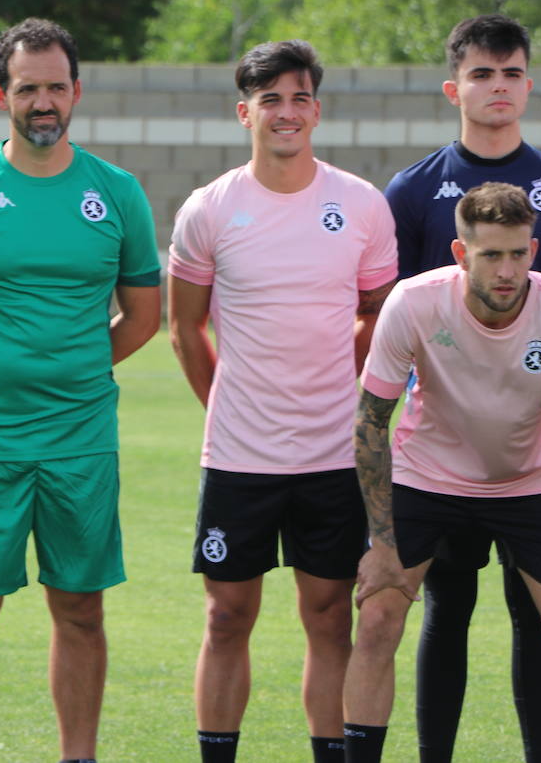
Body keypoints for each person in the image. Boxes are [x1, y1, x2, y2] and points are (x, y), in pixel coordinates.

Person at [0, 17, 160, 763]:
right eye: (27, 88)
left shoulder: (117, 193)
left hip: (81, 440)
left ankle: (78, 755)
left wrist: (77, 368)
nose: (43, 101)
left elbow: (144, 316)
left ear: (75, 92)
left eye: (55, 87)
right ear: (0, 95)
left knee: (79, 607)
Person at [383, 13, 541, 763]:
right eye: (482, 73)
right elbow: (398, 315)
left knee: (539, 612)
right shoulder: (414, 191)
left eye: (511, 72)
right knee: (446, 606)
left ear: (529, 84)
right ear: (455, 87)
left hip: (534, 451)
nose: (498, 87)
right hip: (440, 449)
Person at [167, 39, 397, 763]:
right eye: (271, 99)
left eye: (299, 98)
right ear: (246, 113)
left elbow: (377, 317)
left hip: (332, 456)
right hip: (239, 455)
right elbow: (183, 326)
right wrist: (225, 404)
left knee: (329, 618)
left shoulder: (360, 205)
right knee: (227, 615)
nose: (286, 112)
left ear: (317, 111)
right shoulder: (209, 209)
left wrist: (340, 385)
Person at [344, 182, 541, 763]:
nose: (507, 270)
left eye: (518, 253)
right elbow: (370, 424)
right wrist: (383, 546)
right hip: (429, 478)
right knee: (380, 614)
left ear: (534, 252)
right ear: (461, 254)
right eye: (491, 255)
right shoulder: (413, 303)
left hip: (531, 481)